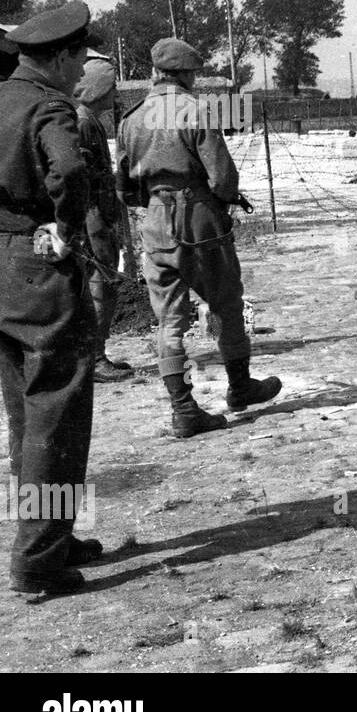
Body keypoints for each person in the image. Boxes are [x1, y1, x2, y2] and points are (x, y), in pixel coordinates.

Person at [116, 38, 282, 437]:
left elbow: (123, 186)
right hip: (199, 218)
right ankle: (240, 388)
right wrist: (219, 201)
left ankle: (183, 409)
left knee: (169, 321)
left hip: (155, 222)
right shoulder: (195, 110)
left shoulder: (131, 118)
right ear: (188, 74)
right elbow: (223, 178)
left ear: (155, 73)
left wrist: (156, 200)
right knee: (225, 302)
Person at [0, 0, 100, 594]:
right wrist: (67, 224)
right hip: (36, 265)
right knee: (56, 409)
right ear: (57, 55)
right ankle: (38, 561)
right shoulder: (48, 105)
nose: (82, 66)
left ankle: (48, 533)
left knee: (23, 412)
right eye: (79, 55)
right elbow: (68, 170)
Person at [73, 57, 134, 383]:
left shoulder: (89, 120)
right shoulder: (84, 122)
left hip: (97, 213)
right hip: (93, 216)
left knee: (102, 284)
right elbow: (80, 177)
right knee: (102, 286)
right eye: (111, 88)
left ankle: (95, 356)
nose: (115, 95)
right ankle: (95, 360)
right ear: (98, 90)